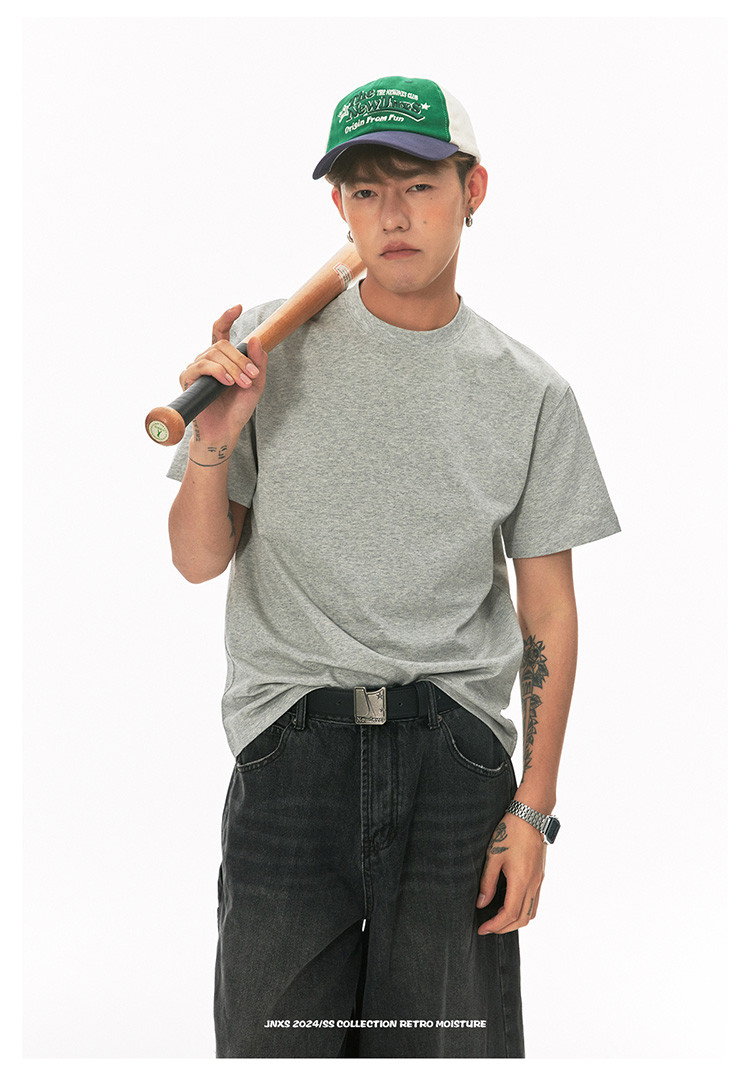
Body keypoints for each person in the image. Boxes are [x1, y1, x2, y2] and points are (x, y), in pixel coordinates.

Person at [166, 75, 620, 1058]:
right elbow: (198, 559)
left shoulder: (531, 392)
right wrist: (216, 436)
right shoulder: (265, 350)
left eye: (417, 184)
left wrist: (533, 808)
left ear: (473, 189)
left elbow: (548, 610)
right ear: (339, 205)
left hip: (454, 764)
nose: (393, 214)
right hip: (292, 751)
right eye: (366, 190)